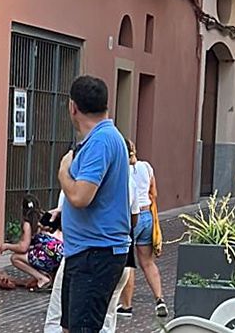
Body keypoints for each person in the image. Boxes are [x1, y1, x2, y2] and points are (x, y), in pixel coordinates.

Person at [57, 75, 131, 333]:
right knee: (69, 327)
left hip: (96, 254)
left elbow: (80, 197)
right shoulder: (105, 137)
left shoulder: (100, 141)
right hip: (85, 252)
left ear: (72, 106)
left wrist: (63, 172)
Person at [117, 140, 168, 319]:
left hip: (131, 216)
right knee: (147, 262)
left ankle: (126, 305)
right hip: (148, 216)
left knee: (129, 262)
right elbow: (154, 192)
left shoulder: (121, 170)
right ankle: (159, 299)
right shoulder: (147, 167)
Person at [1, 194, 64, 290]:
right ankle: (52, 280)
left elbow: (23, 247)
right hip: (61, 251)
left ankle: (42, 279)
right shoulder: (46, 216)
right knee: (39, 253)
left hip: (50, 253)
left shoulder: (28, 223)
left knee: (15, 258)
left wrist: (7, 246)